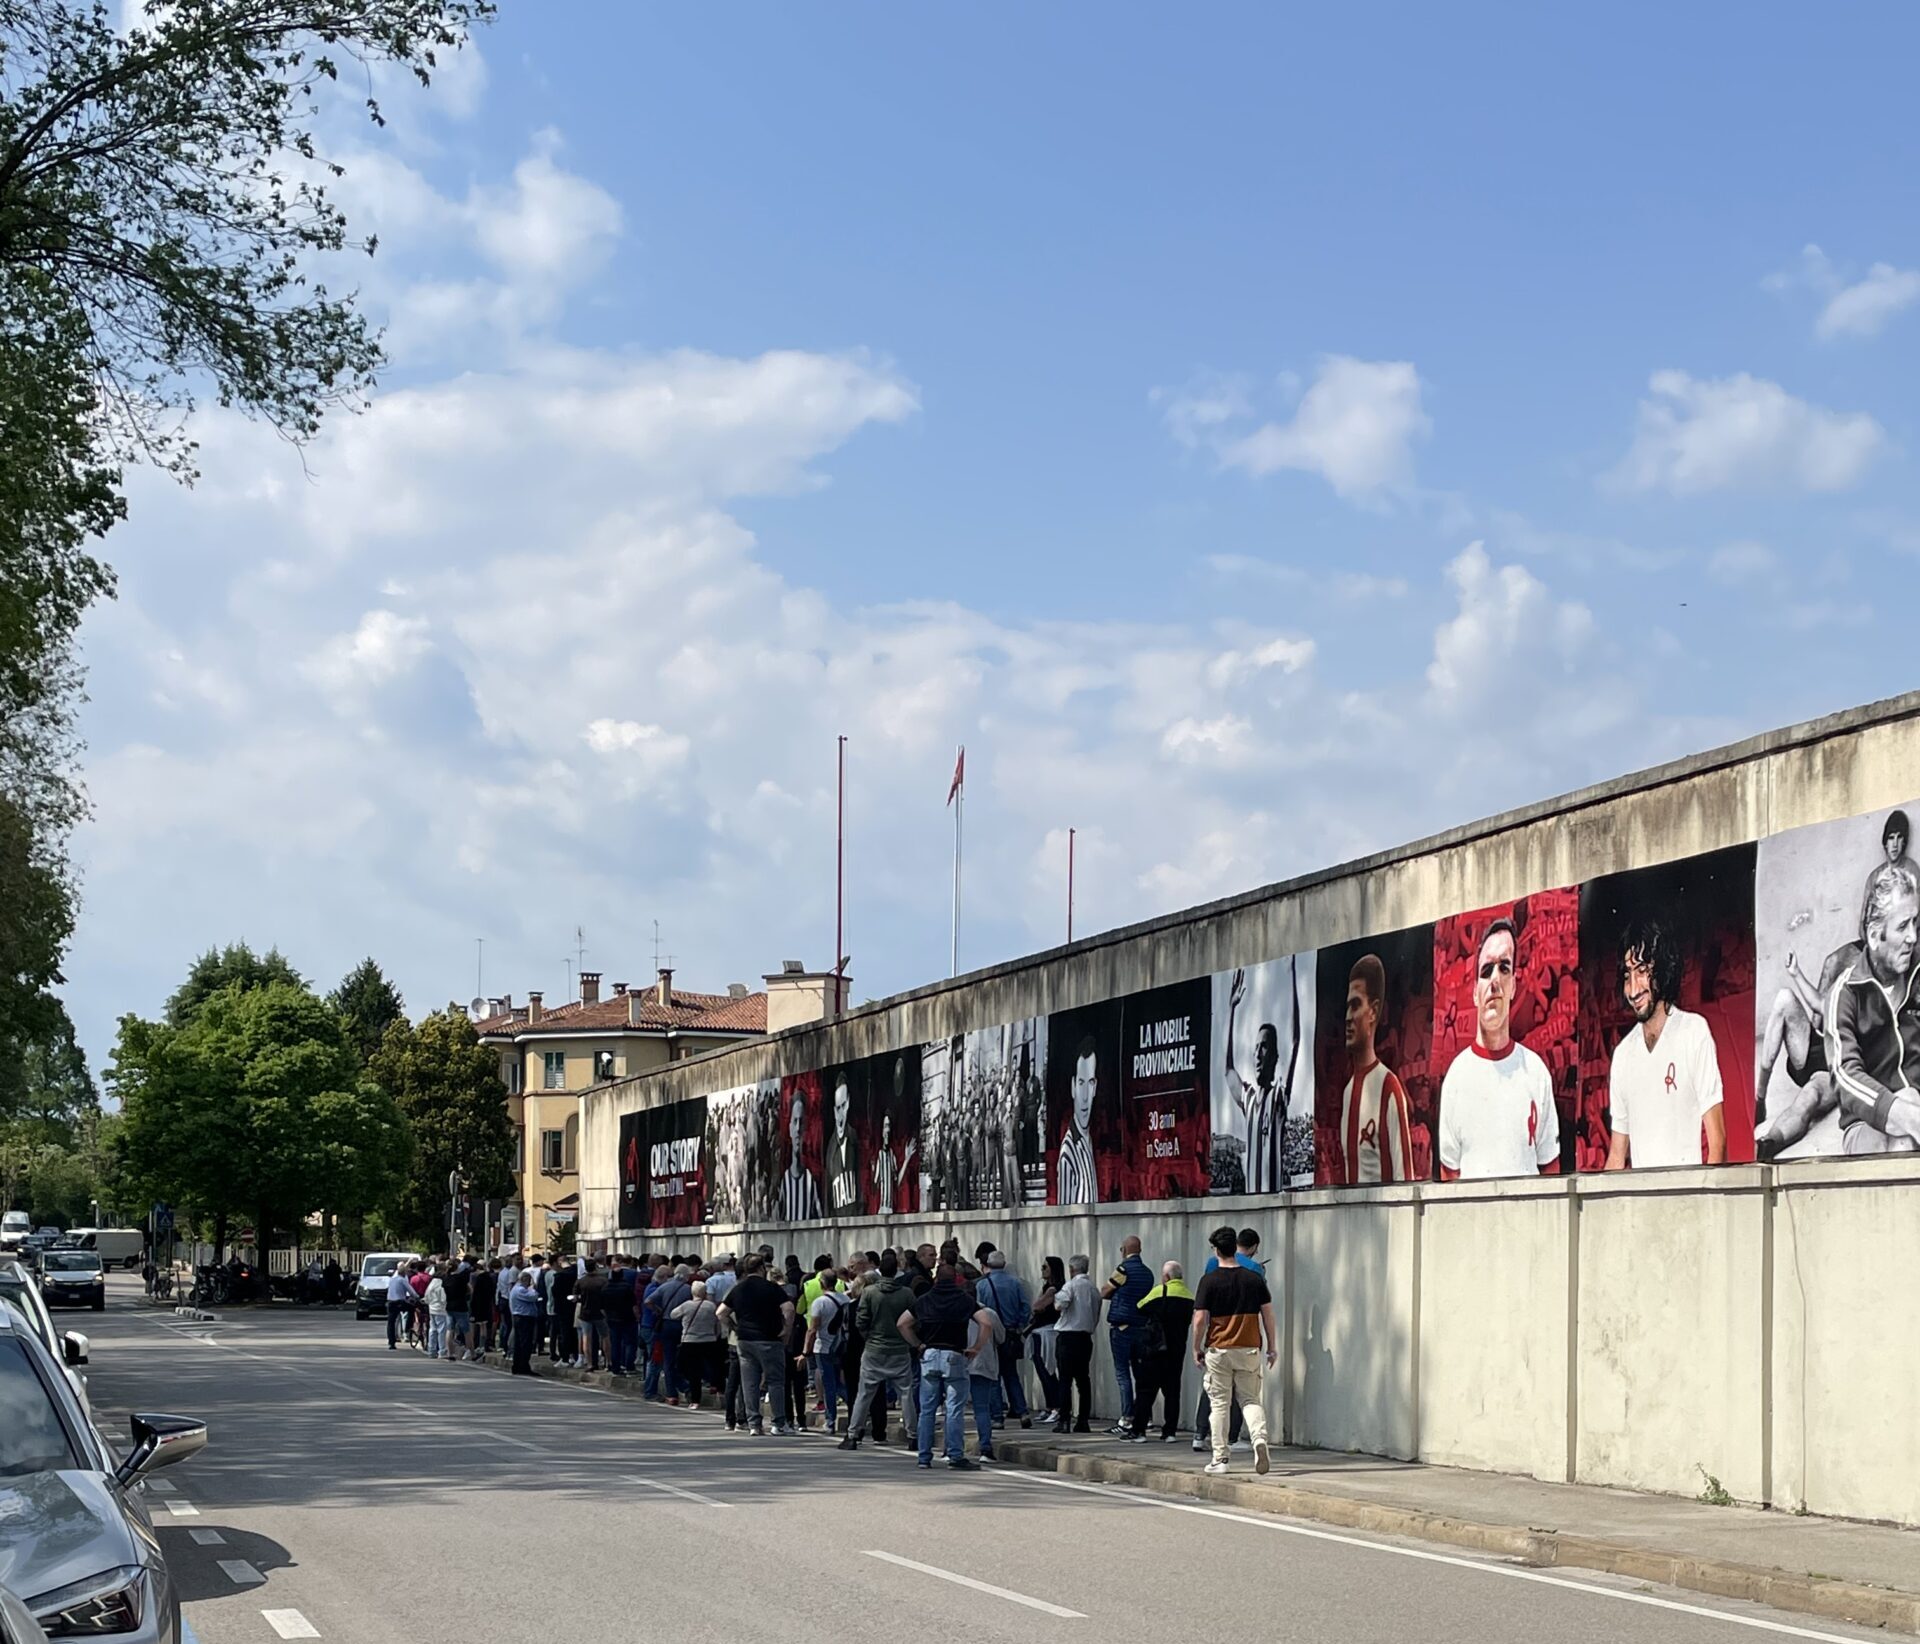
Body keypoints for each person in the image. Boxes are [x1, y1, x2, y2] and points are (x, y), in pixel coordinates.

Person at [1438, 917, 1561, 1180]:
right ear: (1474, 993)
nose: (1494, 980)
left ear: (1514, 986)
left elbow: (1551, 1172)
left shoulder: (1536, 1073)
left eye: (1504, 968)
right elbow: (1449, 1178)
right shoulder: (1457, 1078)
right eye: (1486, 971)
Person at [1604, 918, 1726, 1169]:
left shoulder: (1693, 1031)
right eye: (1627, 976)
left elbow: (1718, 1143)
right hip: (1640, 1205)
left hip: (1687, 1201)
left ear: (1662, 969)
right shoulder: (1624, 1055)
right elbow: (1616, 1156)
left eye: (1642, 972)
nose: (1633, 989)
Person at [1830, 861, 1920, 1153]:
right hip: (1866, 1122)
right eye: (1903, 926)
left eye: (1916, 923)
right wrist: (1901, 1112)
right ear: (1873, 935)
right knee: (1901, 1142)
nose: (1913, 937)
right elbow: (1845, 1075)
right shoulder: (1845, 993)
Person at [1191, 1225, 1276, 1476]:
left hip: (1219, 1348)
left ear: (1216, 1250)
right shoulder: (1254, 1279)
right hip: (1249, 1347)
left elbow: (1199, 1320)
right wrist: (1272, 1347)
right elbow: (1268, 1315)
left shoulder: (1209, 1280)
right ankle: (1259, 1440)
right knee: (1250, 1400)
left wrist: (1196, 1348)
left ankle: (1220, 1458)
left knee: (1219, 1404)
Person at [898, 1262, 991, 1470]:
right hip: (954, 1355)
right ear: (955, 1279)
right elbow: (986, 1322)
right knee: (954, 1408)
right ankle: (955, 1455)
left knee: (927, 1409)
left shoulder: (924, 1300)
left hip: (929, 1354)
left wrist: (917, 1344)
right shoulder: (964, 1300)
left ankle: (924, 1456)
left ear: (936, 1279)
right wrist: (976, 1347)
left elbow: (902, 1323)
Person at [1224, 957, 1304, 1192]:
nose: (1258, 1054)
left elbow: (1295, 1041)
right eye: (1256, 1048)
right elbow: (1228, 1070)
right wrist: (1231, 1009)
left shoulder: (1278, 1097)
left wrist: (1291, 974)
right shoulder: (1248, 1099)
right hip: (1251, 1203)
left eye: (1265, 1047)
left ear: (1275, 1056)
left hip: (1273, 1204)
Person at [1338, 954, 1414, 1184]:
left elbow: (1404, 1177)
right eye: (1347, 1008)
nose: (1348, 1018)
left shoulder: (1388, 1087)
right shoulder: (1348, 1091)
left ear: (1373, 1011)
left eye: (1355, 1005)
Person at [840, 1249, 917, 1450]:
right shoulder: (906, 1294)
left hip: (874, 1348)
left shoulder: (869, 1293)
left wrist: (870, 1338)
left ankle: (853, 1434)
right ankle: (913, 1435)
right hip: (899, 1348)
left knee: (864, 1393)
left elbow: (861, 1321)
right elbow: (914, 1319)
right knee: (906, 1393)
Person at [716, 1257, 795, 1436]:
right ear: (761, 1268)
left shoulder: (739, 1289)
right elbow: (789, 1309)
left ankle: (754, 1424)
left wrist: (734, 1327)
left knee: (749, 1383)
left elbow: (720, 1313)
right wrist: (786, 1330)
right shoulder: (772, 1288)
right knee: (775, 1381)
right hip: (769, 1339)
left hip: (745, 1341)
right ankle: (778, 1423)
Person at [1128, 1260, 1195, 1442]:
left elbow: (1140, 1306)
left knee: (1145, 1390)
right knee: (1172, 1392)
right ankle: (1170, 1431)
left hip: (1155, 1350)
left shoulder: (1160, 1291)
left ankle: (1139, 1431)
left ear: (1166, 1277)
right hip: (1177, 1351)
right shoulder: (1189, 1296)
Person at [1099, 1235, 1154, 1436]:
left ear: (1123, 1250)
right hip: (1141, 1328)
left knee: (1123, 1374)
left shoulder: (1123, 1269)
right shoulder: (1148, 1273)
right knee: (1140, 1375)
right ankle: (1144, 1417)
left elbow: (1105, 1291)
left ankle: (1127, 1418)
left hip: (1122, 1328)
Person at [976, 1250, 1031, 1427]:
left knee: (994, 1377)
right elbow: (1025, 1307)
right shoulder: (1015, 1283)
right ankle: (1022, 1411)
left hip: (991, 1334)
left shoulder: (983, 1285)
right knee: (1011, 1374)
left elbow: (979, 1310)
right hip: (1010, 1332)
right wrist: (1019, 1325)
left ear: (988, 1265)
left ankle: (997, 1416)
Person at [1051, 1253, 1100, 1433]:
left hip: (1068, 1336)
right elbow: (1096, 1314)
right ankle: (1083, 1420)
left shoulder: (1070, 1286)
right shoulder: (1093, 1289)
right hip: (1085, 1337)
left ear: (1071, 1269)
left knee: (1065, 1379)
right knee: (1083, 1380)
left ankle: (1064, 1420)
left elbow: (1060, 1304)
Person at [801, 1270, 853, 1433]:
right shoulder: (845, 1299)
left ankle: (830, 1421)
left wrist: (805, 1351)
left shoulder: (820, 1302)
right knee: (839, 1383)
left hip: (823, 1346)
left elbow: (813, 1328)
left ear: (822, 1283)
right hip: (841, 1346)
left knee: (829, 1384)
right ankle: (855, 1410)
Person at [1056, 1037, 1101, 1205]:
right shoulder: (1068, 1152)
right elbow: (1065, 1222)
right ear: (1073, 1086)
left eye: (1090, 1083)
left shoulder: (1089, 1140)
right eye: (1081, 1083)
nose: (1084, 1097)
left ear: (1095, 1087)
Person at [966, 1291, 1008, 1462]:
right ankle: (985, 1448)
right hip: (983, 1362)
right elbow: (1001, 1337)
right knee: (982, 1408)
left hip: (960, 1363)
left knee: (954, 1408)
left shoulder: (956, 1311)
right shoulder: (989, 1313)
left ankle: (950, 1448)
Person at [1028, 1255, 1066, 1425]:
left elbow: (1037, 1306)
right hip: (1039, 1332)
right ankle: (1050, 1405)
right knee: (1042, 1372)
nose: (1042, 1270)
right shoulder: (1047, 1287)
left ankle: (1057, 1406)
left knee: (1048, 1371)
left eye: (1045, 1267)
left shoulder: (1054, 1289)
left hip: (1048, 1333)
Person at [672, 1280, 723, 1406]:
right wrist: (715, 1335)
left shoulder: (686, 1305)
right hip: (709, 1340)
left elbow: (673, 1315)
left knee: (689, 1369)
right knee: (713, 1365)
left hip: (690, 1341)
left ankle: (695, 1399)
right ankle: (715, 1385)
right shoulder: (711, 1306)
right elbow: (718, 1323)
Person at [779, 1094, 823, 1221]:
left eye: (801, 1122)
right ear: (790, 1127)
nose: (798, 1128)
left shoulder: (811, 1181)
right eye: (795, 1121)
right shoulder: (784, 1182)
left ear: (805, 1129)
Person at [826, 1074, 861, 1214]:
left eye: (844, 1106)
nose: (840, 1114)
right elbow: (828, 1194)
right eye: (838, 1108)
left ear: (849, 1102)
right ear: (834, 1110)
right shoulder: (830, 1148)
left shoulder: (855, 1138)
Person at [604, 1254, 638, 1377]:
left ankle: (616, 1368)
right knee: (629, 1342)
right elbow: (633, 1304)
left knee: (615, 1343)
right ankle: (629, 1366)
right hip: (627, 1317)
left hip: (612, 1318)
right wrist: (637, 1316)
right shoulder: (627, 1287)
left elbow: (602, 1304)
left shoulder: (606, 1287)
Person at [574, 1258, 609, 1370]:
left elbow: (575, 1298)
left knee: (586, 1338)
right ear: (595, 1267)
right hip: (600, 1311)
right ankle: (608, 1361)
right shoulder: (603, 1280)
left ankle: (589, 1363)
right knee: (605, 1337)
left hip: (585, 1312)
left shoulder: (580, 1281)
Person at [508, 1268, 541, 1376]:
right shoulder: (520, 1290)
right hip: (523, 1318)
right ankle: (523, 1366)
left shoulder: (517, 1289)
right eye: (529, 1280)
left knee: (520, 1343)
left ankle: (518, 1365)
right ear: (524, 1279)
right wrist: (533, 1289)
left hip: (521, 1318)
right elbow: (533, 1297)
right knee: (524, 1343)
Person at [444, 1256, 473, 1361]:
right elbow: (470, 1289)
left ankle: (450, 1352)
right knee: (466, 1330)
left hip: (449, 1305)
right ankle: (471, 1352)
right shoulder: (461, 1278)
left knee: (449, 1329)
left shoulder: (446, 1278)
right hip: (461, 1305)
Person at [384, 1261, 413, 1351]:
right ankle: (408, 1327)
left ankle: (391, 1342)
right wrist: (417, 1297)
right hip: (399, 1302)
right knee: (411, 1309)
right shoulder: (402, 1280)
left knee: (391, 1322)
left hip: (390, 1302)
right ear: (404, 1273)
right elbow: (411, 1291)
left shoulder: (392, 1279)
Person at [424, 1264, 450, 1359]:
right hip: (440, 1309)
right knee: (442, 1330)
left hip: (432, 1308)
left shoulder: (431, 1284)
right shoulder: (441, 1285)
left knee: (433, 1329)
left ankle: (432, 1350)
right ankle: (442, 1350)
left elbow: (426, 1296)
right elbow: (443, 1298)